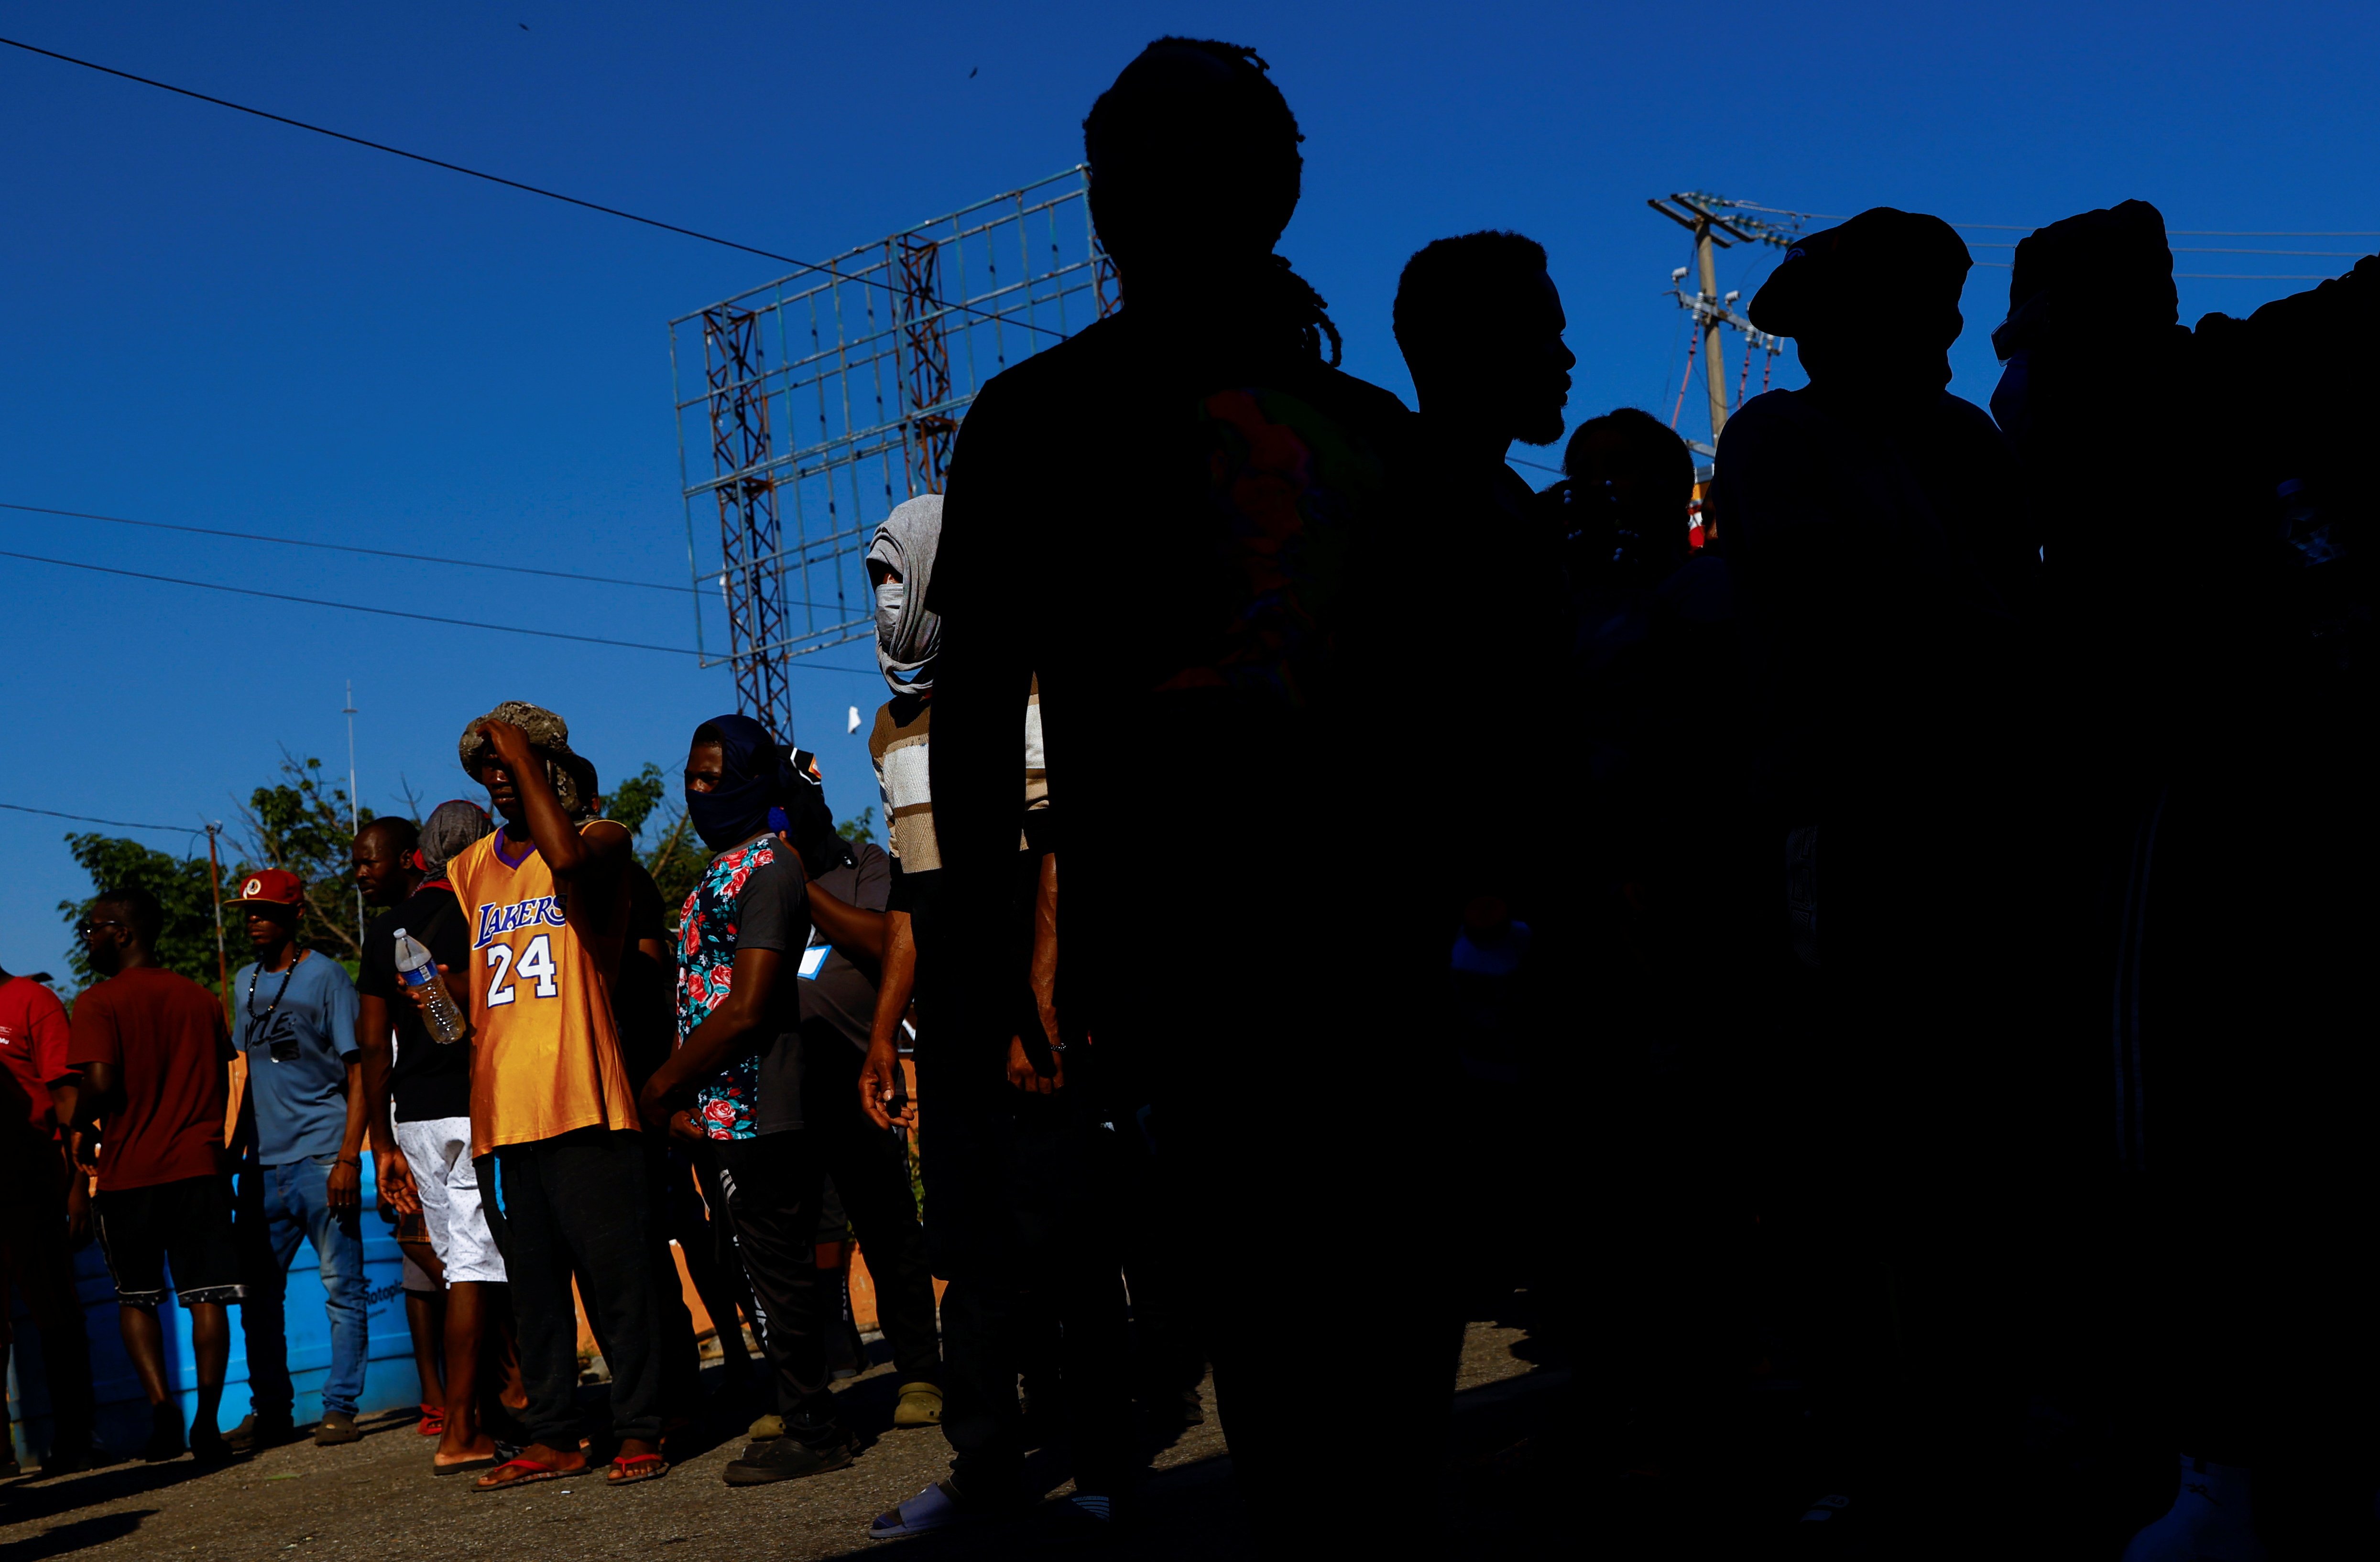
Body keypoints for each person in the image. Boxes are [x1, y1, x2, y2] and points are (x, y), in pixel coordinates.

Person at [913, 38, 1451, 1552]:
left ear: (1102, 208)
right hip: (1355, 943)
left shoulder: (1039, 419)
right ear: (1280, 189)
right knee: (1373, 1325)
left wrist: (989, 961)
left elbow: (970, 717)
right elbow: (1435, 713)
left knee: (1274, 1330)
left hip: (1189, 957)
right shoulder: (1372, 437)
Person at [1718, 207, 2047, 1548]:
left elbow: (1993, 602)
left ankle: (1967, 1413)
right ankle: (1866, 1429)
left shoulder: (1963, 440)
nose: (1951, 333)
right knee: (1853, 1132)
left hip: (1965, 819)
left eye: (1952, 307)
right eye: (1925, 309)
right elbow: (1871, 606)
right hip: (1844, 823)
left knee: (1963, 1132)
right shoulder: (1777, 441)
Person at [860, 495, 1137, 1538]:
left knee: (1065, 1250)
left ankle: (1106, 1462)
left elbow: (1057, 858)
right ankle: (985, 1463)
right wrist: (887, 1033)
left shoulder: (1025, 690)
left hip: (1034, 1020)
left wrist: (1046, 1013)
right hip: (956, 1026)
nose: (886, 598)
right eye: (874, 580)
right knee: (971, 1255)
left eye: (898, 574)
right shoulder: (891, 724)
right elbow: (912, 896)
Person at [434, 703, 668, 1490]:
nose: (501, 778)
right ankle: (555, 1434)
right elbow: (475, 995)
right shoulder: (468, 869)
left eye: (515, 766)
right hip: (505, 1105)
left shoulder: (601, 840)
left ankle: (642, 1424)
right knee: (533, 1288)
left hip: (585, 1094)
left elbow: (565, 859)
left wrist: (525, 752)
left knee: (618, 1277)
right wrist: (436, 1001)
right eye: (489, 768)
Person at [638, 715, 865, 1486]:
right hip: (725, 1104)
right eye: (691, 778)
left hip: (761, 1101)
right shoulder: (723, 870)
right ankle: (801, 1408)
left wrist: (666, 1079)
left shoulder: (769, 870)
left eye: (713, 777)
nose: (697, 791)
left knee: (779, 1266)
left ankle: (813, 1423)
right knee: (763, 1265)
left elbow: (749, 1004)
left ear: (751, 778)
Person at [358, 800, 524, 1474]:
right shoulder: (477, 912)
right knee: (476, 1270)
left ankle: (491, 1406)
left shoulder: (385, 929)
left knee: (461, 1263)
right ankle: (464, 1427)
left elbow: (372, 1043)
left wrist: (381, 1142)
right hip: (469, 1104)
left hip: (411, 1114)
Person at [64, 885, 243, 1463]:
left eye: (93, 928)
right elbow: (220, 1077)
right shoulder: (200, 999)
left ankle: (163, 1412)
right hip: (199, 1168)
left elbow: (101, 1080)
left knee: (137, 1298)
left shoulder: (97, 1003)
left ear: (123, 932)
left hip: (130, 1174)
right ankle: (209, 1426)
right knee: (206, 1296)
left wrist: (81, 1121)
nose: (87, 938)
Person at [222, 867, 369, 1450]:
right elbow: (245, 1074)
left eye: (266, 912)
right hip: (263, 1166)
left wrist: (347, 1157)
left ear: (295, 914)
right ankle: (273, 1410)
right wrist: (233, 1153)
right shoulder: (244, 982)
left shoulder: (327, 977)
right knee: (257, 1296)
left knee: (343, 1286)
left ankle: (341, 1407)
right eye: (249, 913)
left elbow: (359, 1070)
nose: (255, 921)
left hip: (321, 1154)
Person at [0, 960, 99, 1471]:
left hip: (33, 1189)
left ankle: (76, 1437)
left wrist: (79, 1185)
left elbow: (67, 1097)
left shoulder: (31, 1001)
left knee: (55, 1315)